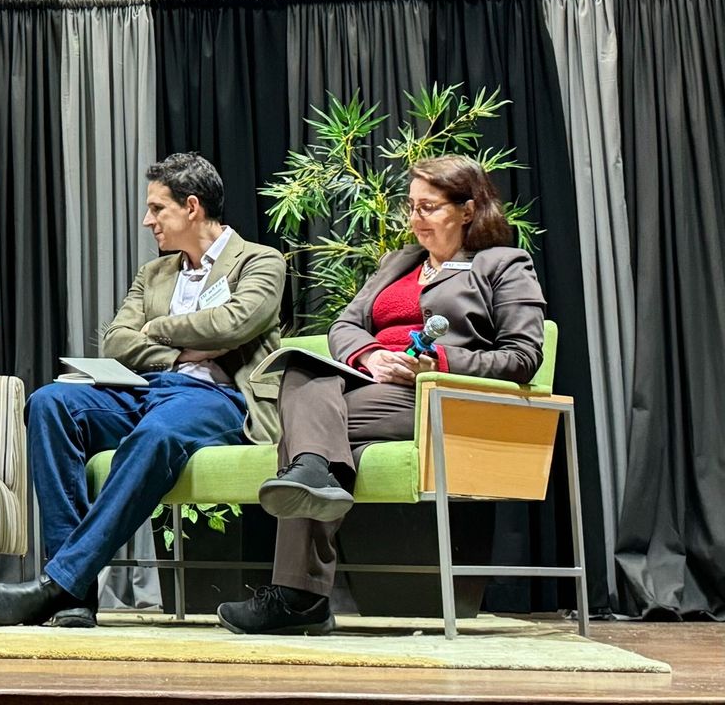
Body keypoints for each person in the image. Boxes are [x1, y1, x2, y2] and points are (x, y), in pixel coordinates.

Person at [217, 155, 546, 635]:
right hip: (367, 382)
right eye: (411, 207)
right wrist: (369, 356)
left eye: (429, 208)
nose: (416, 220)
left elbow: (522, 356)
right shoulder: (398, 263)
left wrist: (438, 366)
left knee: (309, 431)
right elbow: (345, 324)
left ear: (468, 209)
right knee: (299, 369)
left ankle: (299, 594)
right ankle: (313, 478)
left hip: (431, 394)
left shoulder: (502, 264)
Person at [0, 152, 285, 629]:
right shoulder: (153, 274)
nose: (147, 220)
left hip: (217, 399)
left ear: (192, 206)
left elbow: (234, 322)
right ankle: (77, 598)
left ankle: (59, 586)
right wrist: (177, 353)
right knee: (51, 402)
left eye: (158, 208)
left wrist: (156, 328)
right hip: (145, 388)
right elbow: (116, 339)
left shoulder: (260, 261)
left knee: (156, 434)